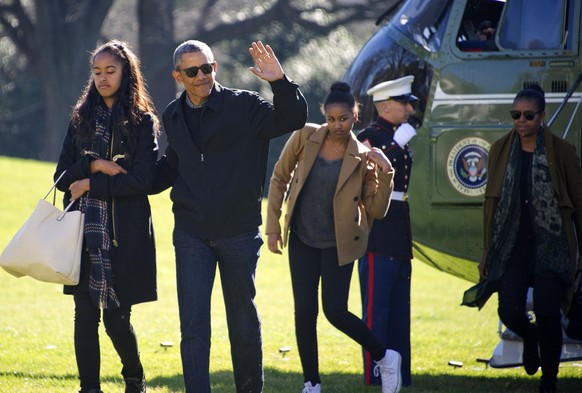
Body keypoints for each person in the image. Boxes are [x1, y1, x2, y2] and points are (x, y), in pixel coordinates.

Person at [150, 40, 307, 393]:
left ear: (214, 67)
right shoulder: (173, 115)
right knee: (193, 327)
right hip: (191, 233)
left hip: (238, 231)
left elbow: (293, 118)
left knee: (243, 323)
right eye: (192, 71)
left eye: (207, 68)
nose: (202, 76)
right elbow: (171, 168)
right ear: (178, 76)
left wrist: (279, 82)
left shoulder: (244, 106)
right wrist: (122, 175)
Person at [266, 81, 402, 393]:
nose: (336, 125)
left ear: (356, 116)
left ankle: (384, 356)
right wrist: (273, 225)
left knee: (335, 311)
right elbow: (279, 177)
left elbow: (377, 210)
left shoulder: (365, 157)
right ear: (324, 116)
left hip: (339, 244)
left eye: (343, 119)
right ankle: (311, 383)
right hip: (302, 237)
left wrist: (386, 172)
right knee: (304, 312)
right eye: (331, 119)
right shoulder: (304, 136)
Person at [54, 40, 159, 393]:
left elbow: (142, 181)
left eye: (110, 71)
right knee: (84, 318)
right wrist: (94, 166)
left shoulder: (143, 123)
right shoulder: (80, 118)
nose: (102, 78)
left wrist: (88, 184)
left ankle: (134, 377)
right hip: (81, 236)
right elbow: (60, 177)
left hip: (123, 236)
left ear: (126, 73)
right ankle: (89, 388)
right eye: (97, 72)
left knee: (117, 320)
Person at [462, 85, 582, 393]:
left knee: (547, 313)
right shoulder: (500, 149)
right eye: (516, 115)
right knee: (509, 311)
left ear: (541, 117)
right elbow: (492, 204)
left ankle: (549, 380)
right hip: (512, 245)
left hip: (550, 246)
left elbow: (578, 204)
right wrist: (487, 250)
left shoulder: (562, 152)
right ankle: (529, 338)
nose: (521, 121)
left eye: (528, 115)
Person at [356, 75, 417, 387]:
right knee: (376, 310)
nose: (409, 108)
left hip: (399, 231)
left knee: (398, 310)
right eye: (404, 103)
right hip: (378, 232)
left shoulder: (396, 134)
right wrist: (396, 145)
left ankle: (401, 374)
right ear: (385, 105)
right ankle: (375, 372)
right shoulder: (369, 135)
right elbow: (370, 170)